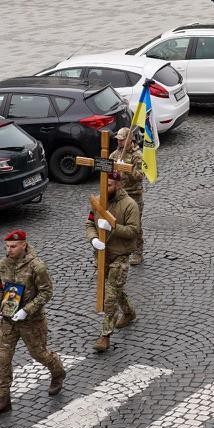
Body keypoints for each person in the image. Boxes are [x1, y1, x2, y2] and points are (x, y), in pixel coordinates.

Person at [0, 230, 66, 418]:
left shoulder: (37, 267)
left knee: (39, 354)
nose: (9, 250)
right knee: (2, 359)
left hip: (31, 322)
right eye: (7, 246)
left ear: (23, 245)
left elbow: (46, 293)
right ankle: (3, 399)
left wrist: (26, 310)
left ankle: (58, 371)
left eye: (13, 246)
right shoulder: (3, 264)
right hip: (8, 322)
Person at [85, 172, 141, 353]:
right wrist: (93, 239)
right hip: (102, 255)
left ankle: (105, 335)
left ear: (118, 185)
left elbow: (133, 231)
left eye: (109, 185)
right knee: (115, 288)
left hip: (120, 256)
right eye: (103, 184)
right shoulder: (99, 201)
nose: (105, 188)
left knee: (109, 296)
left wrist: (113, 227)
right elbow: (90, 224)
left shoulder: (130, 205)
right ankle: (129, 312)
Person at [111, 128, 146, 266]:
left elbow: (140, 176)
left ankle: (138, 252)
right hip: (118, 195)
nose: (119, 141)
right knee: (116, 222)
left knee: (135, 225)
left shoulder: (137, 155)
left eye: (122, 139)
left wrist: (127, 168)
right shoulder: (115, 154)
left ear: (129, 139)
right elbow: (108, 171)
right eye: (118, 139)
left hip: (133, 195)